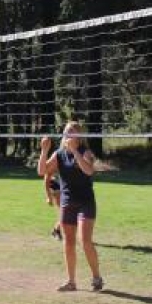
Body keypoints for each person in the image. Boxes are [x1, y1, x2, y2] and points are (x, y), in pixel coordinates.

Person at [38, 121, 103, 292]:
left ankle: (97, 277)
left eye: (73, 132)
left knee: (85, 241)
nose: (69, 134)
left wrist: (74, 151)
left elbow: (89, 171)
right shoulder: (59, 154)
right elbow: (42, 171)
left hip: (85, 202)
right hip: (67, 202)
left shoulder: (85, 152)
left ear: (79, 136)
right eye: (67, 132)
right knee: (68, 242)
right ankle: (71, 281)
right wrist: (44, 150)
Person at [43, 172, 62, 240]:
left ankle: (56, 230)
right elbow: (46, 177)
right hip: (56, 185)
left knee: (71, 212)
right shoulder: (54, 161)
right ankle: (56, 231)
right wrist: (48, 197)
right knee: (63, 213)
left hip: (67, 185)